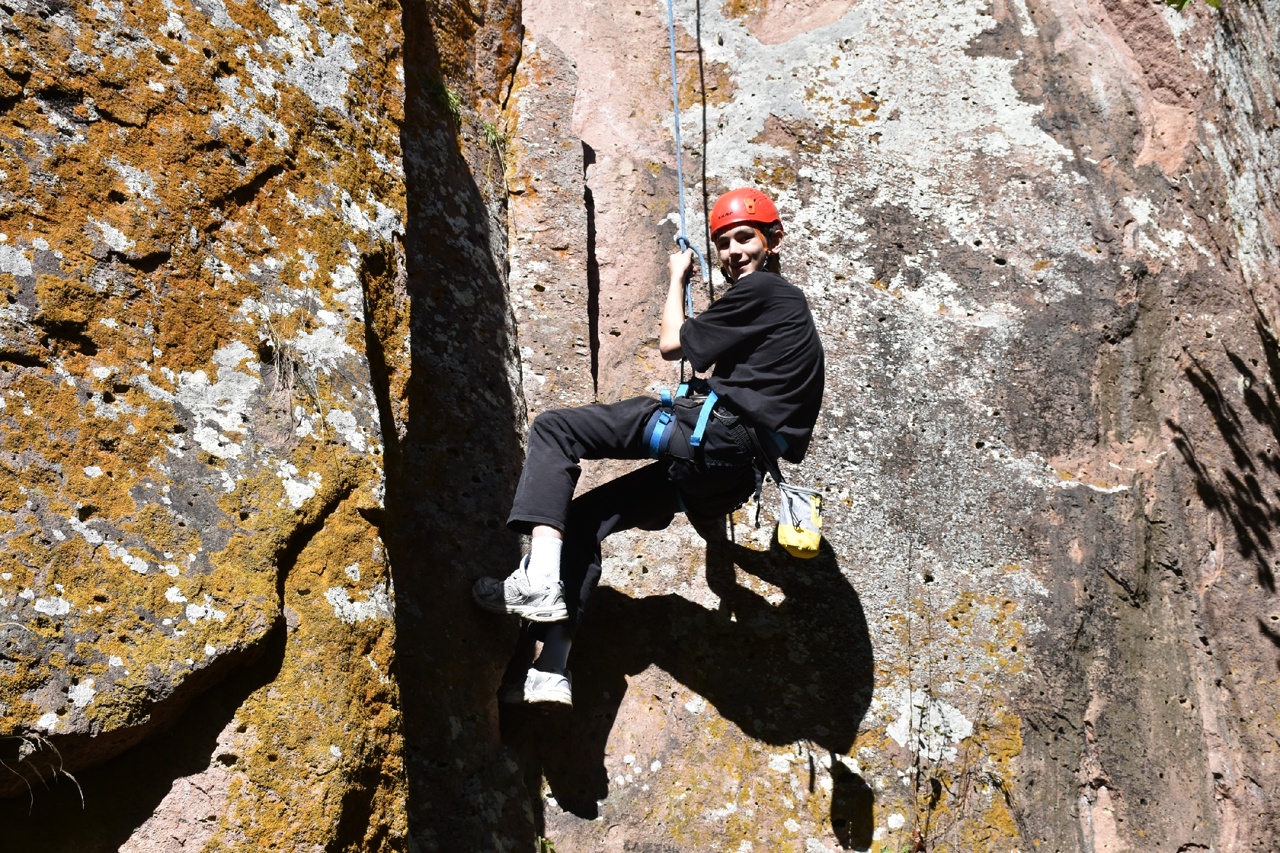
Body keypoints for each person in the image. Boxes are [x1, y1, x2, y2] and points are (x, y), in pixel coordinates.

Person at [472, 187, 825, 705]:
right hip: (734, 475)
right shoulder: (784, 312)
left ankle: (540, 579)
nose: (734, 253)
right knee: (587, 520)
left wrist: (676, 278)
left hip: (712, 435)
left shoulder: (768, 293)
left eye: (745, 238)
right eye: (724, 243)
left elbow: (672, 345)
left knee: (555, 429)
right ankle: (550, 669)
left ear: (773, 240)